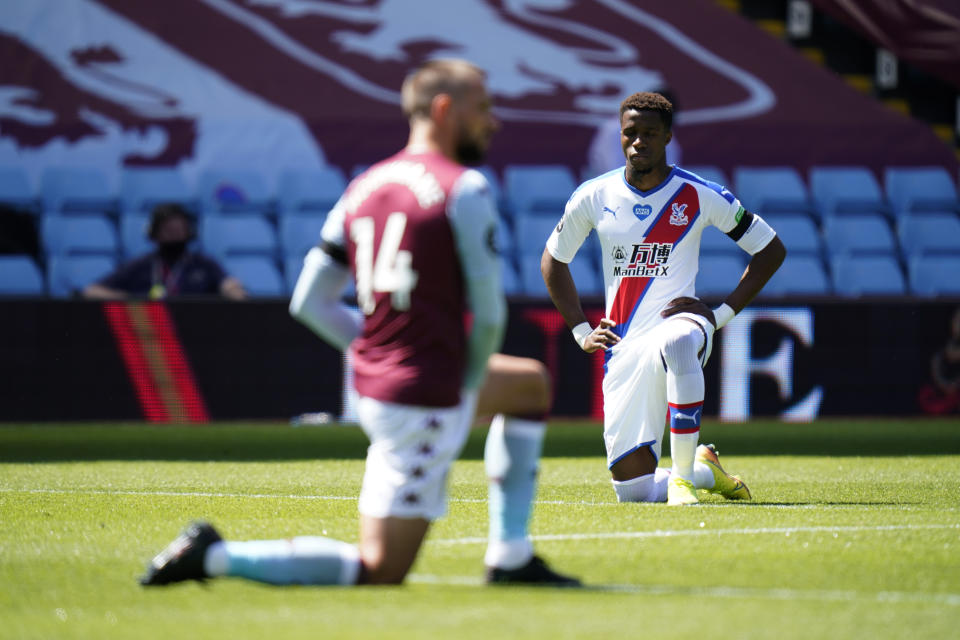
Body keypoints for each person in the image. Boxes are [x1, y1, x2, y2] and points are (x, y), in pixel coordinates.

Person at [139, 59, 578, 587]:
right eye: (482, 107)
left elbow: (308, 301)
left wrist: (373, 348)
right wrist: (460, 388)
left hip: (386, 383)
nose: (493, 121)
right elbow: (489, 316)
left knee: (528, 385)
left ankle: (511, 556)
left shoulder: (363, 187)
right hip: (425, 397)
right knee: (380, 568)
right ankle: (215, 557)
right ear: (444, 109)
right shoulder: (464, 189)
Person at [541, 92, 786, 506]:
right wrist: (581, 330)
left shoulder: (699, 194)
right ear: (620, 136)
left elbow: (770, 250)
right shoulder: (594, 195)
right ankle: (704, 468)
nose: (639, 142)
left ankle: (683, 480)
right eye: (630, 133)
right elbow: (553, 262)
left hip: (683, 326)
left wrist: (720, 315)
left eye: (650, 134)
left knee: (674, 341)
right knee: (632, 493)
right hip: (624, 343)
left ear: (668, 136)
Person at [83, 203, 246, 300]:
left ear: (190, 232)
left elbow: (230, 286)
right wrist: (129, 301)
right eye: (169, 230)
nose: (175, 235)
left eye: (180, 230)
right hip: (151, 333)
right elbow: (92, 291)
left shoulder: (203, 264)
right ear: (154, 234)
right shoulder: (141, 265)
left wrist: (233, 290)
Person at [918, 307, 960, 414]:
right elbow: (938, 361)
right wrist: (945, 385)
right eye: (957, 321)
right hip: (943, 392)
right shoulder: (943, 347)